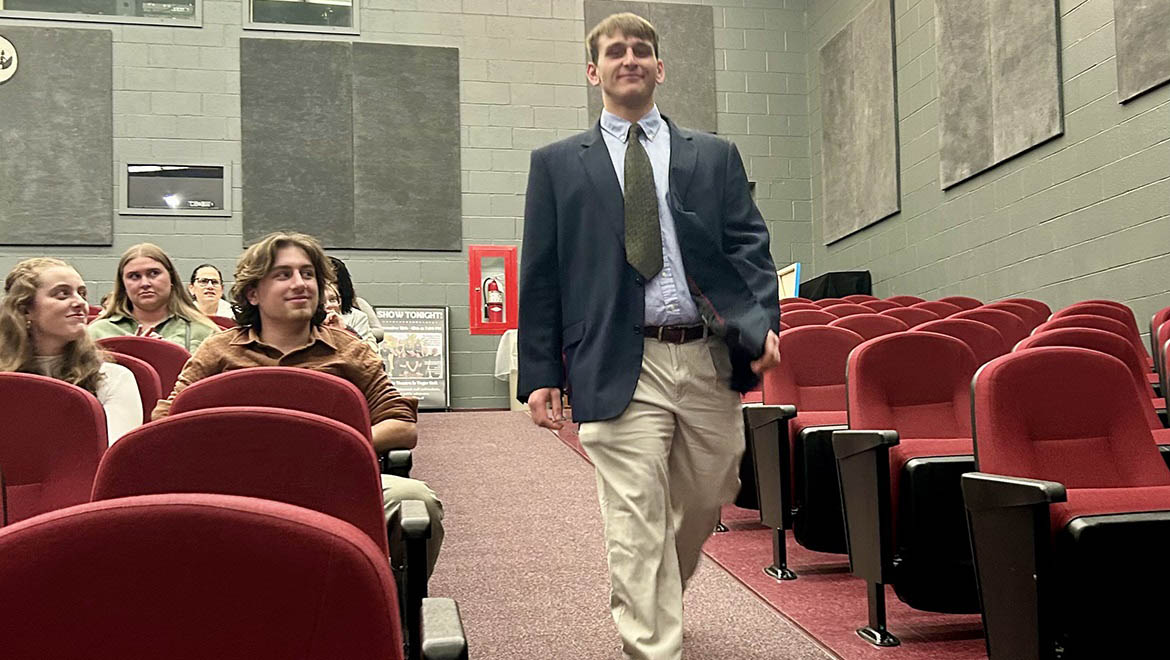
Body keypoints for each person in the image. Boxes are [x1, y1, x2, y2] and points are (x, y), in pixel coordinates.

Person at [516, 12, 781, 659]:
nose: (628, 58)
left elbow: (750, 247)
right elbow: (541, 271)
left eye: (641, 50)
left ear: (660, 68)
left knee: (707, 496)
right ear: (593, 71)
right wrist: (541, 370)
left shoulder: (713, 156)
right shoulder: (555, 165)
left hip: (707, 356)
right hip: (614, 357)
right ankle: (653, 645)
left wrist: (762, 324)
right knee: (635, 517)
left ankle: (659, 592)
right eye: (614, 51)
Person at [151, 231, 443, 576]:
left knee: (417, 500)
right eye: (283, 274)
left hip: (331, 479)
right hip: (236, 484)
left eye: (308, 274)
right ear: (253, 292)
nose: (300, 283)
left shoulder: (350, 350)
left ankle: (388, 604)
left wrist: (328, 448)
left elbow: (401, 424)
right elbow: (165, 420)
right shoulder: (219, 351)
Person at [1, 258, 142, 444]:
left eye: (82, 294)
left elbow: (110, 457)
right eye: (62, 294)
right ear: (26, 309)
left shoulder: (113, 378)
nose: (80, 303)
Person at [88, 243, 218, 353]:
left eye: (154, 273)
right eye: (134, 276)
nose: (145, 283)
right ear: (123, 284)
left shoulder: (204, 331)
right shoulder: (97, 332)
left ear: (171, 278)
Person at [329, 257, 385, 344]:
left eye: (333, 282)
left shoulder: (357, 311)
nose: (328, 285)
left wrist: (350, 331)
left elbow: (379, 333)